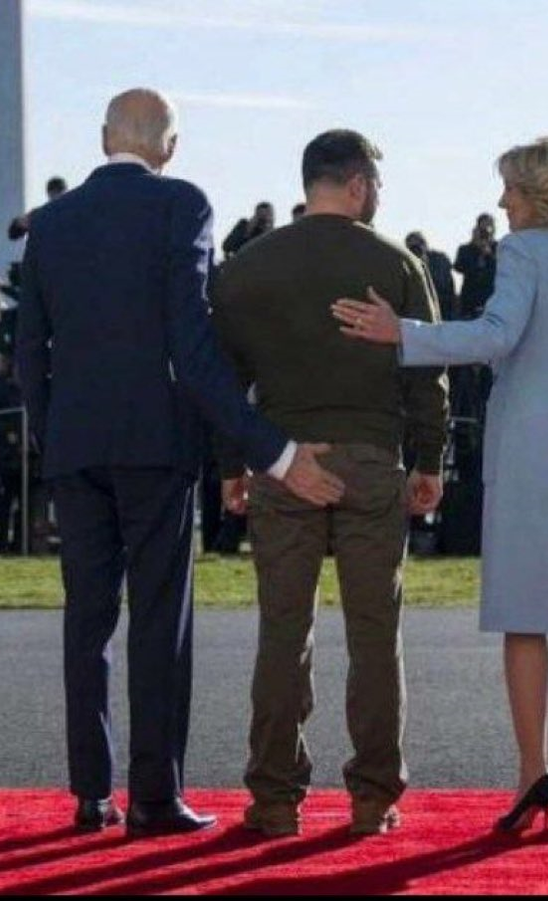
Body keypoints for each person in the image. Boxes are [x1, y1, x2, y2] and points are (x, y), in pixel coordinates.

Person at [17, 88, 344, 839]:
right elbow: (192, 348)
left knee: (86, 620)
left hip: (76, 443)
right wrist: (271, 449)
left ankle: (90, 795)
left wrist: (53, 434)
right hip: (155, 443)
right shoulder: (181, 205)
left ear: (104, 138)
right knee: (159, 621)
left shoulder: (52, 222)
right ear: (170, 145)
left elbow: (29, 349)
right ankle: (153, 797)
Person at [333, 136, 548, 833]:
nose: (502, 202)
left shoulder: (524, 252)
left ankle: (533, 773)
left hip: (533, 445)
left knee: (524, 615)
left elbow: (497, 335)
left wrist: (402, 333)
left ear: (536, 193)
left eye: (511, 189)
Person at [213, 129, 448, 839]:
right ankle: (374, 796)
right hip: (372, 459)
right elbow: (426, 370)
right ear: (356, 185)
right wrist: (429, 460)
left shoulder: (247, 267)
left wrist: (234, 465)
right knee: (375, 634)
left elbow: (223, 380)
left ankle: (275, 798)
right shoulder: (397, 262)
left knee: (284, 632)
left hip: (284, 459)